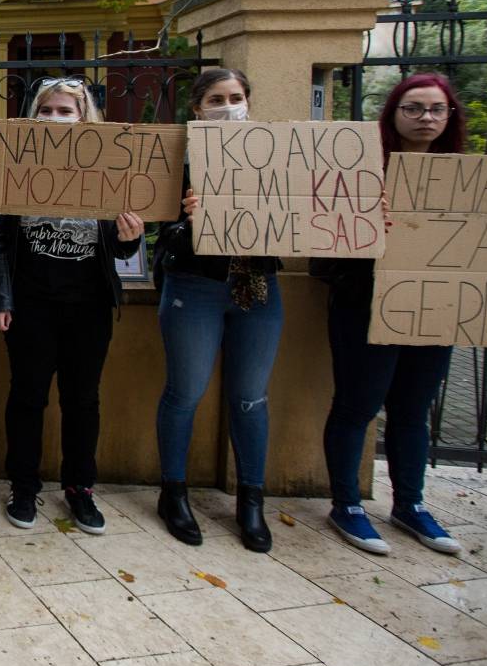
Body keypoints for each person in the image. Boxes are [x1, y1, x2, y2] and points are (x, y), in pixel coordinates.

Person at [0, 79, 144, 534]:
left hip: (88, 307)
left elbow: (122, 250)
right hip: (29, 305)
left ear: (84, 117)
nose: (55, 118)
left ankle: (79, 488)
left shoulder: (111, 168)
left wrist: (131, 236)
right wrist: (0, 298)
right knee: (27, 397)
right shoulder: (15, 163)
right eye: (47, 110)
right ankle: (24, 487)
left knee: (83, 400)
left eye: (66, 110)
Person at [317, 74, 466, 555]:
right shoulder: (360, 174)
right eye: (414, 108)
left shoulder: (469, 178)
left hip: (435, 307)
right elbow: (321, 252)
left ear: (450, 117)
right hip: (365, 305)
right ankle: (348, 505)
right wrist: (364, 225)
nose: (426, 118)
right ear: (394, 114)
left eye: (436, 109)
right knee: (357, 405)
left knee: (412, 410)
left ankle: (411, 504)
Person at [152, 67, 283, 552]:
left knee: (251, 396)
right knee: (185, 392)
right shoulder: (176, 160)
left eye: (236, 96)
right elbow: (157, 234)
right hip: (195, 286)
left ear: (249, 100)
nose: (228, 106)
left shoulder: (278, 156)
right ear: (198, 109)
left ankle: (251, 499)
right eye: (216, 99)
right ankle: (174, 493)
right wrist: (187, 222)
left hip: (258, 286)